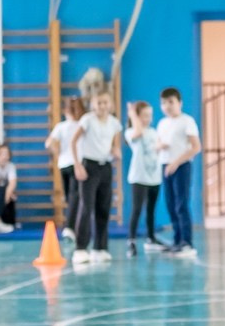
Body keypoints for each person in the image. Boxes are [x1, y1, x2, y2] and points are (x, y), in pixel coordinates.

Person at [71, 89, 123, 265]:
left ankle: (100, 247)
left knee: (104, 208)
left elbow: (115, 146)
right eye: (98, 103)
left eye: (105, 102)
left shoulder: (115, 123)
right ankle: (80, 248)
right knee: (86, 207)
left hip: (105, 167)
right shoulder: (87, 120)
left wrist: (116, 152)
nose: (102, 106)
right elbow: (73, 141)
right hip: (89, 166)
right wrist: (78, 165)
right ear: (93, 105)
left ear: (110, 104)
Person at [156, 88, 202, 257]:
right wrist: (159, 147)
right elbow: (158, 145)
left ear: (179, 103)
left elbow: (196, 147)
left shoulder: (187, 121)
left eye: (171, 102)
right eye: (164, 103)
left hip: (181, 166)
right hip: (165, 166)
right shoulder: (162, 124)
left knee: (181, 204)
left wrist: (176, 162)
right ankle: (177, 241)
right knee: (170, 204)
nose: (167, 106)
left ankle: (187, 243)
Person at [123, 100, 164, 256]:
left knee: (151, 209)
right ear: (137, 117)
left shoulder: (154, 132)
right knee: (137, 209)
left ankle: (151, 238)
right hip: (139, 177)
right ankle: (131, 240)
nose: (148, 119)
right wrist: (132, 113)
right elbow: (138, 133)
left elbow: (159, 147)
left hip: (154, 176)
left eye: (150, 115)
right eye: (144, 115)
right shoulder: (131, 132)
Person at [46, 96, 87, 245]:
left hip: (64, 164)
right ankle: (71, 227)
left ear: (65, 111)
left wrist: (56, 151)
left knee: (71, 197)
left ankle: (72, 225)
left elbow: (48, 143)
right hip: (77, 163)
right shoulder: (82, 125)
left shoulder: (61, 126)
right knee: (75, 196)